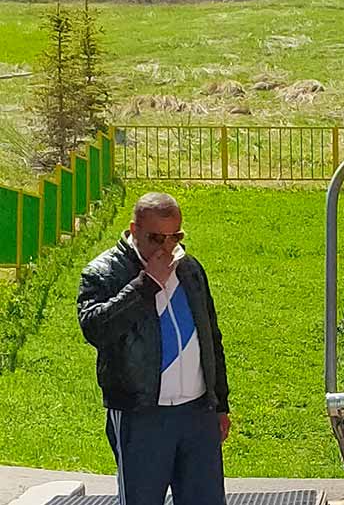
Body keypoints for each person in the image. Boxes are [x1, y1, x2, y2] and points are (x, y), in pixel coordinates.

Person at [77, 192, 230, 505]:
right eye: (155, 238)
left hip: (197, 414)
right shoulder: (104, 272)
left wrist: (220, 403)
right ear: (134, 231)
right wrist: (145, 285)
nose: (166, 247)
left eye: (174, 236)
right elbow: (95, 329)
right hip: (141, 414)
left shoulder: (190, 269)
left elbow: (210, 337)